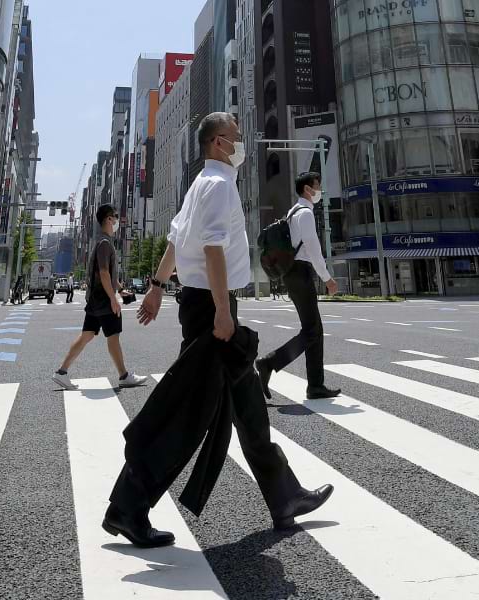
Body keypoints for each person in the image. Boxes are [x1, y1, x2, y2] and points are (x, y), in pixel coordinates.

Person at [103, 112, 333, 548]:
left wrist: (155, 288)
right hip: (211, 306)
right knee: (188, 413)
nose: (241, 145)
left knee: (246, 403)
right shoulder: (219, 185)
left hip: (204, 303)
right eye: (236, 138)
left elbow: (175, 240)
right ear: (217, 144)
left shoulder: (201, 184)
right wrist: (224, 310)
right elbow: (210, 248)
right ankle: (127, 507)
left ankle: (284, 496)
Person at [255, 172, 341, 401]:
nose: (320, 190)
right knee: (312, 331)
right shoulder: (304, 214)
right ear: (307, 189)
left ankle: (316, 385)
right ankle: (269, 363)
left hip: (294, 274)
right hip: (300, 273)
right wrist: (328, 279)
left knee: (315, 330)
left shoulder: (294, 212)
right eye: (317, 186)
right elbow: (313, 248)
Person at [51, 204, 147, 391]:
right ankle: (124, 376)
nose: (117, 221)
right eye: (115, 217)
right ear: (109, 219)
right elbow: (103, 272)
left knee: (87, 335)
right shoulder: (104, 243)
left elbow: (109, 275)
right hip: (103, 299)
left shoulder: (103, 242)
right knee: (113, 336)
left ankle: (61, 372)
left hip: (96, 299)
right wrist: (113, 298)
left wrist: (120, 290)